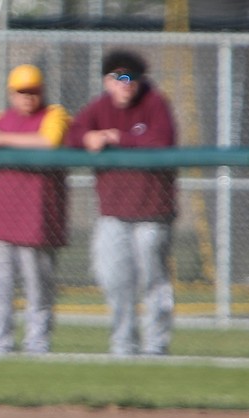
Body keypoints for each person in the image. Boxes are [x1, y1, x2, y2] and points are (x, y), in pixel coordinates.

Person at [66, 50, 177, 356]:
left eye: (133, 78)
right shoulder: (99, 107)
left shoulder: (155, 102)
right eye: (120, 78)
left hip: (152, 213)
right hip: (113, 213)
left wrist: (119, 137)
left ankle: (156, 347)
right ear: (107, 81)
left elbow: (162, 138)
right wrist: (89, 138)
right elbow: (73, 133)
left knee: (154, 282)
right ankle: (123, 346)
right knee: (114, 280)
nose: (127, 85)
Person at [0, 65, 69, 354]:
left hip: (38, 219)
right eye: (22, 91)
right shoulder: (0, 118)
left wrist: (0, 140)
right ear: (11, 93)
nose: (28, 96)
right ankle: (1, 343)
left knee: (39, 288)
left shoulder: (54, 115)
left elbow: (49, 142)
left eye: (34, 90)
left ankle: (38, 344)